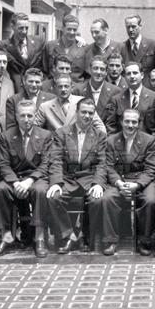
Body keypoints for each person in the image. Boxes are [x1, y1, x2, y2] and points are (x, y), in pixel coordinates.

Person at [0, 100, 52, 258]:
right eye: (22, 116)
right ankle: (6, 237)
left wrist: (29, 181)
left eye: (30, 115)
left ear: (35, 116)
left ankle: (39, 238)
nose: (26, 119)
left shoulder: (45, 135)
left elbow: (46, 164)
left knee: (41, 191)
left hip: (36, 178)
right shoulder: (7, 136)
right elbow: (3, 164)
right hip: (14, 178)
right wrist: (16, 183)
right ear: (16, 116)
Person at [46, 98, 107, 253]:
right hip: (67, 178)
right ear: (76, 112)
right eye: (83, 112)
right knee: (53, 197)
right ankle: (69, 235)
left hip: (88, 178)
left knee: (97, 200)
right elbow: (56, 160)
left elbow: (102, 163)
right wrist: (56, 182)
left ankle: (87, 235)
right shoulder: (62, 133)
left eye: (90, 113)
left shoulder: (100, 135)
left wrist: (98, 183)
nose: (87, 116)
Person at [103, 109, 155, 255]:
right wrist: (118, 183)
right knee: (107, 198)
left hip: (141, 179)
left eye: (134, 122)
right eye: (127, 121)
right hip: (119, 179)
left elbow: (150, 169)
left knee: (150, 200)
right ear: (121, 122)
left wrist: (137, 185)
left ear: (139, 124)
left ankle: (144, 240)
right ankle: (111, 240)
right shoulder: (111, 140)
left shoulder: (149, 140)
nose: (130, 125)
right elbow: (108, 167)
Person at [0, 13, 45, 90]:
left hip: (36, 88)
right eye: (21, 28)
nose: (24, 31)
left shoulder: (39, 42)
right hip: (15, 90)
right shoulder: (3, 46)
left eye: (26, 28)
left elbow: (46, 65)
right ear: (12, 26)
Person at [106, 62, 155, 135]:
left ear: (142, 75)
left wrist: (151, 140)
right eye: (128, 74)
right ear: (125, 77)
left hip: (148, 140)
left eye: (135, 73)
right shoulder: (116, 99)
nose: (132, 76)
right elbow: (111, 126)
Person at [34, 74, 106, 132]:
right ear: (55, 88)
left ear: (72, 87)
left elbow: (99, 125)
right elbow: (34, 129)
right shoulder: (45, 107)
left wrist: (98, 142)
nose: (63, 89)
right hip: (54, 143)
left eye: (66, 86)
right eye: (60, 87)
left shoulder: (82, 102)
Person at [72, 56, 122, 123]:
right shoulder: (78, 90)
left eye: (102, 69)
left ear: (106, 72)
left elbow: (115, 121)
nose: (98, 72)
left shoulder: (116, 92)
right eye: (95, 68)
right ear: (90, 70)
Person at [119, 14, 155, 88]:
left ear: (140, 26)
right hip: (129, 88)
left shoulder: (154, 45)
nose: (130, 30)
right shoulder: (121, 47)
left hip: (149, 88)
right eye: (128, 27)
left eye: (133, 26)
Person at [42, 14, 86, 83]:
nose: (72, 32)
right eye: (69, 29)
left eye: (74, 30)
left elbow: (88, 75)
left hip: (76, 86)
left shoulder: (83, 48)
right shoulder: (50, 46)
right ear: (63, 28)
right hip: (54, 86)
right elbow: (44, 70)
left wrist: (81, 87)